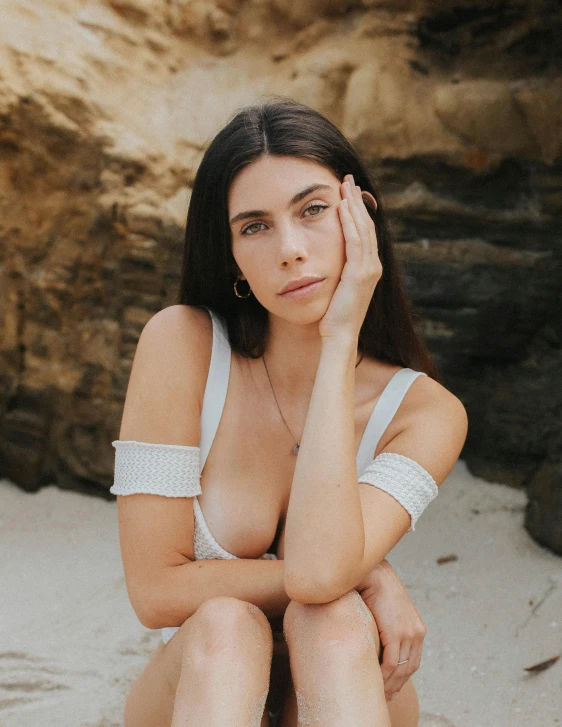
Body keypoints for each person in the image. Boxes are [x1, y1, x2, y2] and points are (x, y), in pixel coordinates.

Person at [110, 97, 468, 727]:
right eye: (255, 226)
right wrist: (372, 576)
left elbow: (320, 575)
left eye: (313, 210)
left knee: (329, 620)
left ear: (361, 217)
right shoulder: (182, 346)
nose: (291, 249)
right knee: (225, 624)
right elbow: (156, 592)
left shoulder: (426, 412)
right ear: (231, 257)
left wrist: (338, 345)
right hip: (199, 686)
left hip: (345, 682)